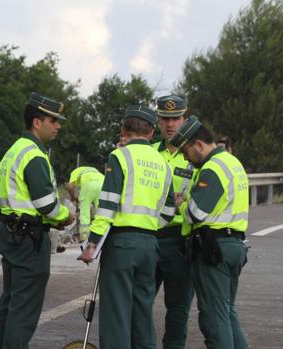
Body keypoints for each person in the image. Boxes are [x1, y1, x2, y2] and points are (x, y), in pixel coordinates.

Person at [81, 105, 175, 349]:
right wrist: (150, 225)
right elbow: (169, 211)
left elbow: (107, 204)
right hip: (150, 245)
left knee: (116, 315)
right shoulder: (163, 164)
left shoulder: (120, 156)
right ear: (152, 132)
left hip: (121, 244)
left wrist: (92, 242)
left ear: (124, 129)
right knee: (142, 313)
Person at [0, 92, 76, 349]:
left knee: (10, 301)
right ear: (37, 122)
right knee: (24, 309)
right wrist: (66, 216)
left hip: (10, 232)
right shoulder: (35, 156)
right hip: (28, 239)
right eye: (53, 120)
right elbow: (46, 204)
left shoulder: (14, 150)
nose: (58, 126)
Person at [170, 117, 249, 349]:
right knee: (227, 313)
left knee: (214, 319)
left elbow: (195, 213)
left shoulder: (212, 168)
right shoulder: (232, 162)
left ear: (198, 144)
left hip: (214, 248)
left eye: (186, 150)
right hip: (234, 245)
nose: (185, 157)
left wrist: (182, 204)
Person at [153, 95, 196, 349]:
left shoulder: (194, 155)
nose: (170, 125)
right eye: (165, 119)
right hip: (149, 237)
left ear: (185, 120)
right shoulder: (148, 153)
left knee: (178, 308)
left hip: (179, 240)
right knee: (139, 303)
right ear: (158, 121)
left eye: (175, 119)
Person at [68, 166, 104, 241]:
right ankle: (102, 236)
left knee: (85, 214)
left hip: (88, 185)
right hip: (103, 184)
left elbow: (71, 187)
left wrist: (73, 198)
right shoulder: (94, 170)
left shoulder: (75, 171)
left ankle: (84, 238)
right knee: (101, 213)